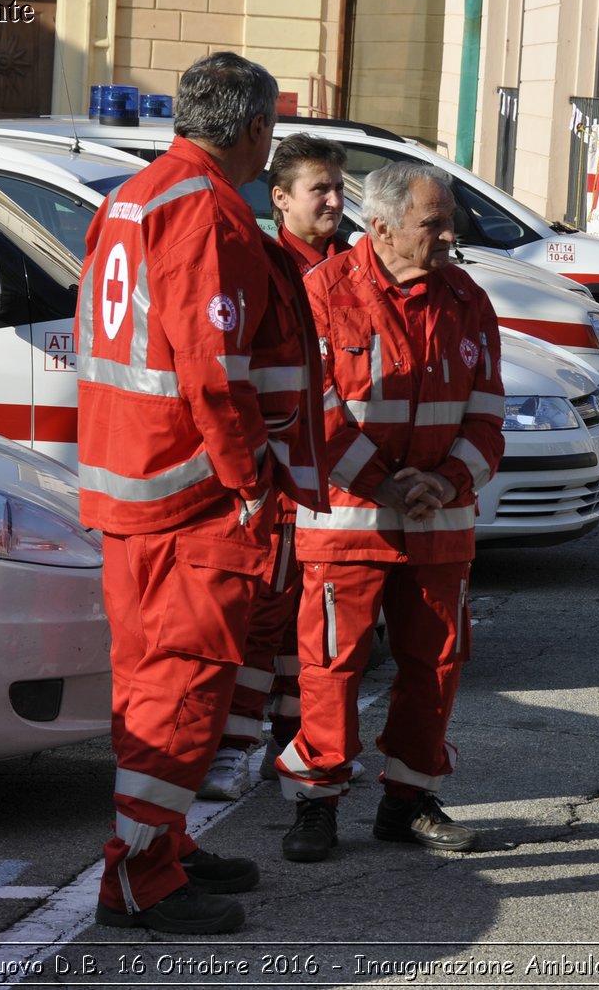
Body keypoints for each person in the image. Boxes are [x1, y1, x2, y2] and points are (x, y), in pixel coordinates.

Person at [76, 52, 327, 936]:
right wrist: (250, 482)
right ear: (255, 130)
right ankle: (142, 875)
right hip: (189, 498)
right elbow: (213, 374)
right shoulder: (205, 209)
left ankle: (162, 844)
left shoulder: (133, 195)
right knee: (181, 689)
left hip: (136, 490)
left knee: (157, 686)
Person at [273, 160, 505, 863]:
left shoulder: (468, 299)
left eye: (448, 222)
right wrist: (382, 483)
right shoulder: (320, 294)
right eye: (432, 224)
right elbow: (309, 410)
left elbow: (489, 415)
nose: (447, 236)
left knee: (434, 664)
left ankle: (409, 799)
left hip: (440, 523)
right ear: (380, 228)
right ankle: (316, 800)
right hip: (348, 521)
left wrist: (446, 481)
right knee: (330, 666)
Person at [198, 133, 361, 801]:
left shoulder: (356, 269)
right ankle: (233, 746)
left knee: (313, 627)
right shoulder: (266, 267)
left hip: (344, 482)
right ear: (280, 199)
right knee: (265, 623)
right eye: (318, 189)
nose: (332, 200)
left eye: (337, 188)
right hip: (285, 479)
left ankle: (294, 741)